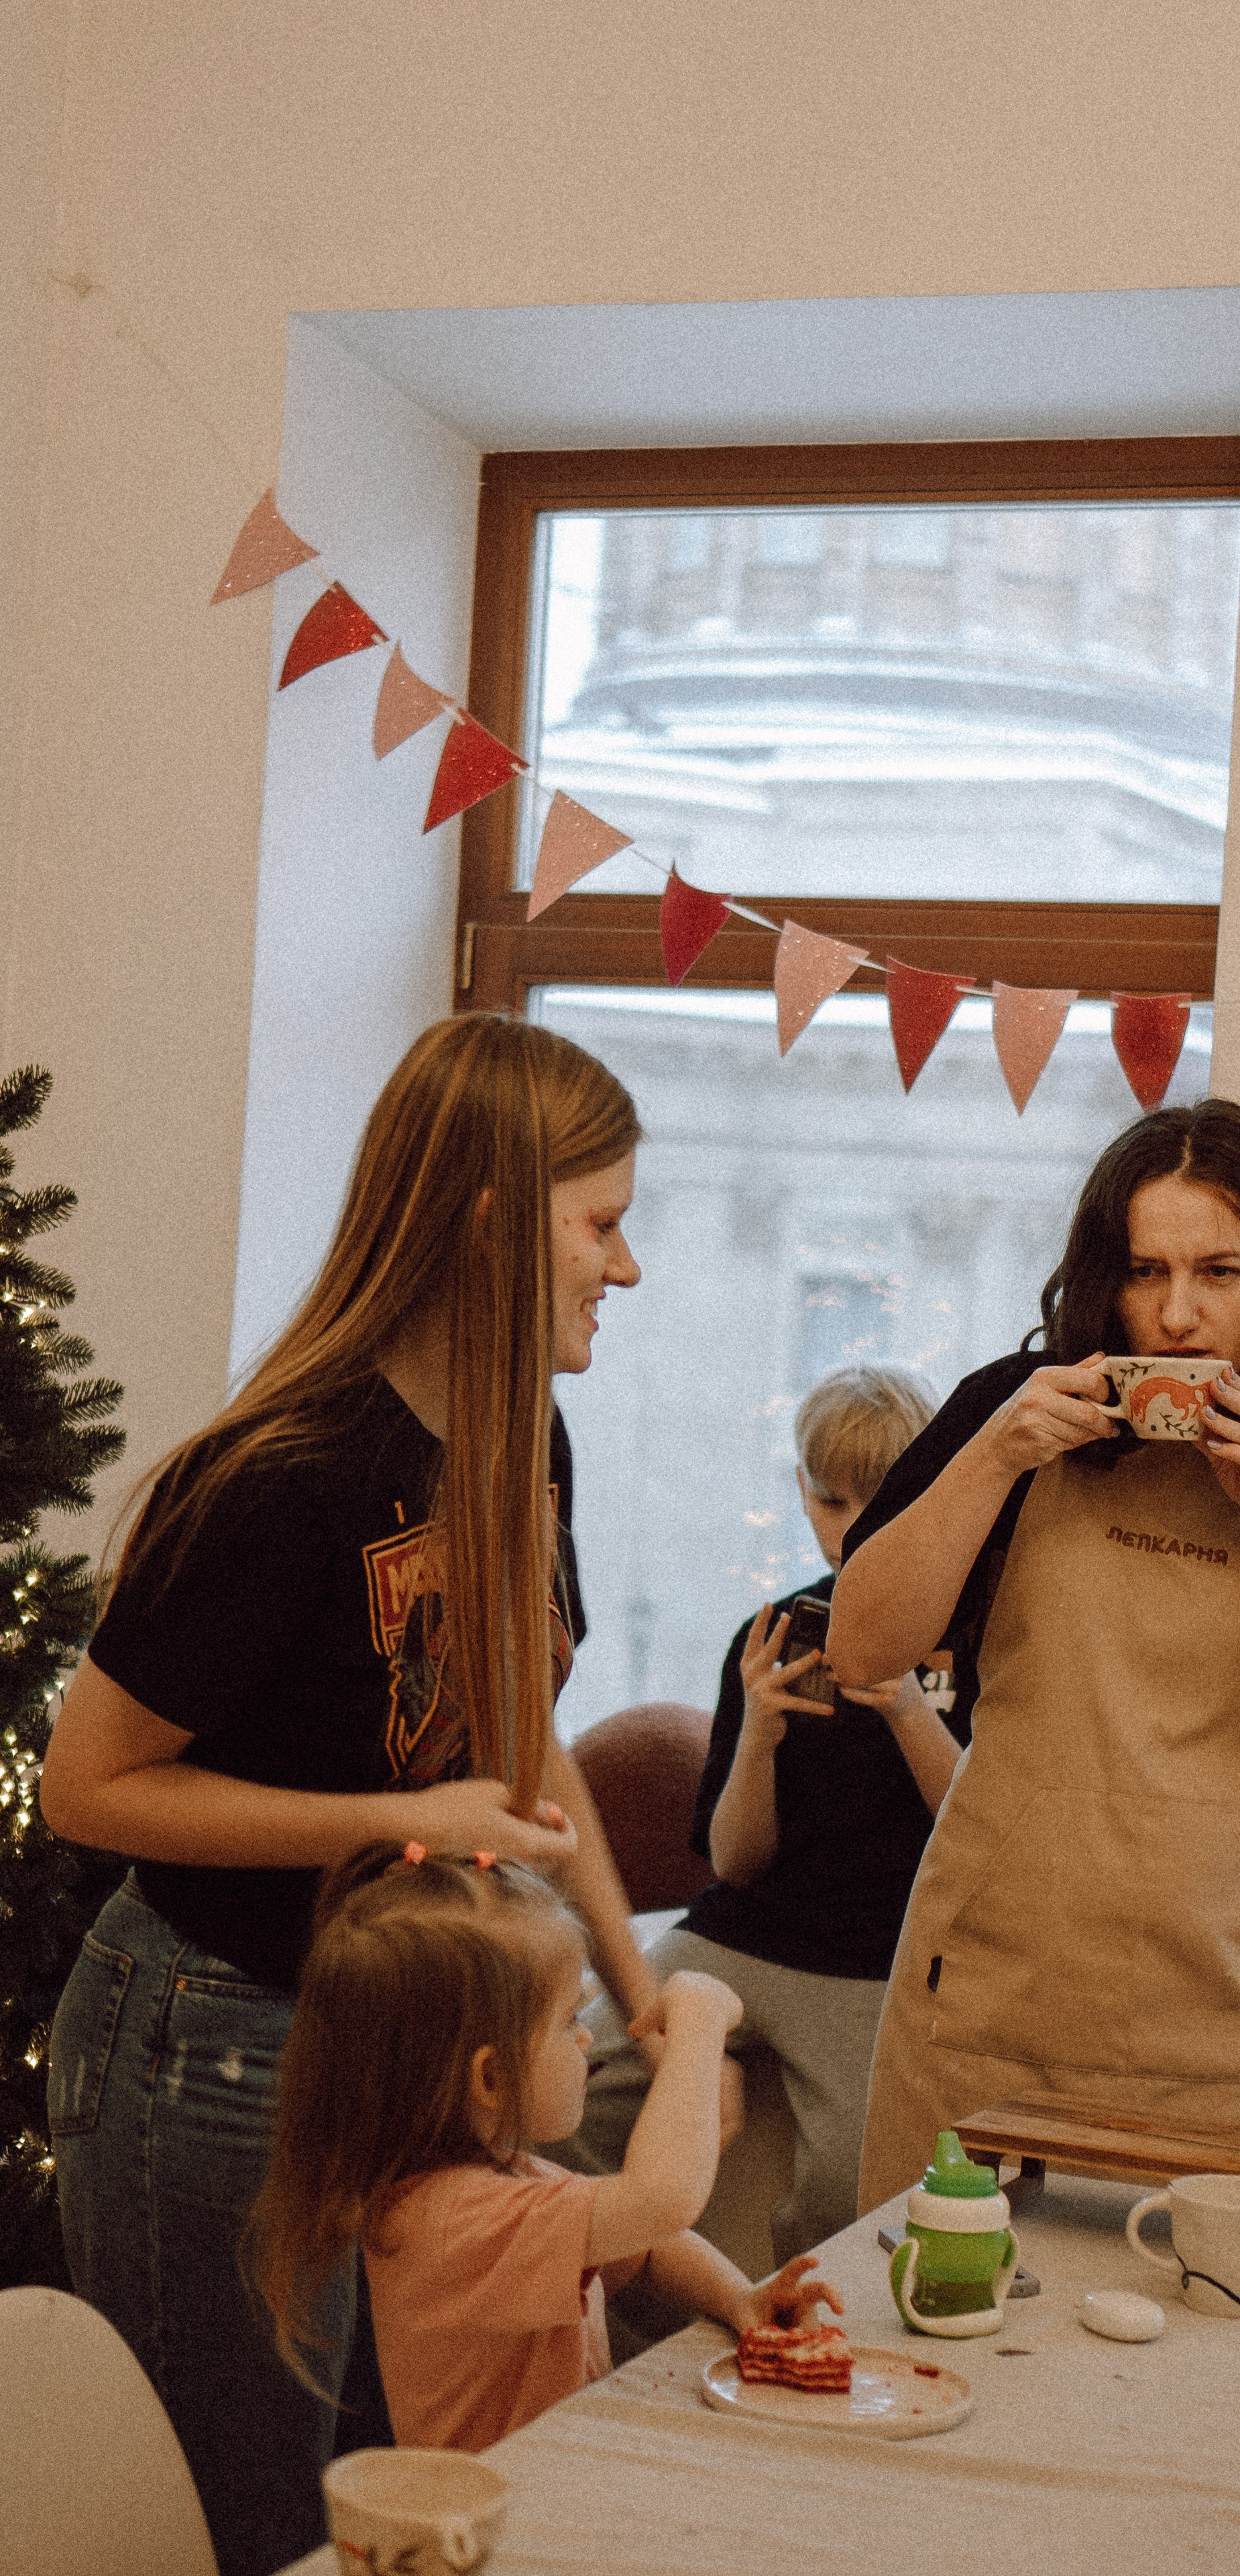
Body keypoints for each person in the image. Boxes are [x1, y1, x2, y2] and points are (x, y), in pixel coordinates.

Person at [40, 1014, 686, 2576]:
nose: (629, 1265)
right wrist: (396, 1823)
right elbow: (87, 1786)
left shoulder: (527, 1439)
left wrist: (628, 1978)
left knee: (405, 2492)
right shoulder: (282, 1476)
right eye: (600, 1222)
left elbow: (526, 1745)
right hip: (210, 2037)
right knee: (259, 2525)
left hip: (375, 2045)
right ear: (487, 1219)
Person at [829, 1102, 1240, 2210]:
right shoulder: (1004, 1416)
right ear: (1102, 1280)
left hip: (1225, 2027)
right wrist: (997, 1455)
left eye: (1220, 1273)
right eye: (1145, 1272)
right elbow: (861, 1645)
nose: (1177, 1317)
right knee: (940, 2318)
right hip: (986, 2007)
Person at [247, 1842, 841, 2452]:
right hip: (502, 2524)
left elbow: (648, 2242)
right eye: (568, 2021)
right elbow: (661, 2199)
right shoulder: (460, 2222)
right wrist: (700, 2020)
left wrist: (739, 2299)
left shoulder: (497, 2178)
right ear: (491, 2078)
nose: (585, 2038)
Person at [565, 1364, 964, 2271]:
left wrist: (906, 1707)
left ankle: (795, 2341)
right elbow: (736, 1865)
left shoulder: (969, 1632)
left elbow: (974, 1830)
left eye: (882, 1502)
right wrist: (756, 1737)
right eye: (830, 1501)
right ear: (801, 1492)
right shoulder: (778, 1630)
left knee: (852, 2199)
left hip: (877, 1960)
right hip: (745, 1934)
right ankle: (627, 2337)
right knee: (570, 2103)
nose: (852, 1528)